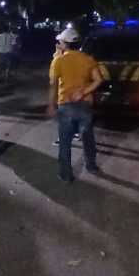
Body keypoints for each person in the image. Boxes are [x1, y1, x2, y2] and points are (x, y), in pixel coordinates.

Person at [47, 28, 103, 182]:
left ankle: (66, 175)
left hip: (66, 105)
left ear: (66, 44)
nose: (58, 43)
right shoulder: (88, 59)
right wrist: (83, 92)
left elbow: (53, 85)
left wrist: (51, 105)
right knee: (87, 137)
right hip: (85, 104)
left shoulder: (58, 61)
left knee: (65, 142)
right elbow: (98, 80)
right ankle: (91, 165)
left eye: (60, 41)